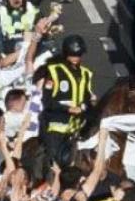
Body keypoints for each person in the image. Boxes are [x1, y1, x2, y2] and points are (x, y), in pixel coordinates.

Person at [39, 33, 94, 172]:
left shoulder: (86, 74)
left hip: (79, 128)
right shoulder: (54, 72)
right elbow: (47, 101)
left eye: (78, 55)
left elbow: (86, 99)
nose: (75, 58)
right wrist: (67, 109)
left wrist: (89, 103)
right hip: (58, 128)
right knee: (53, 164)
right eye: (72, 55)